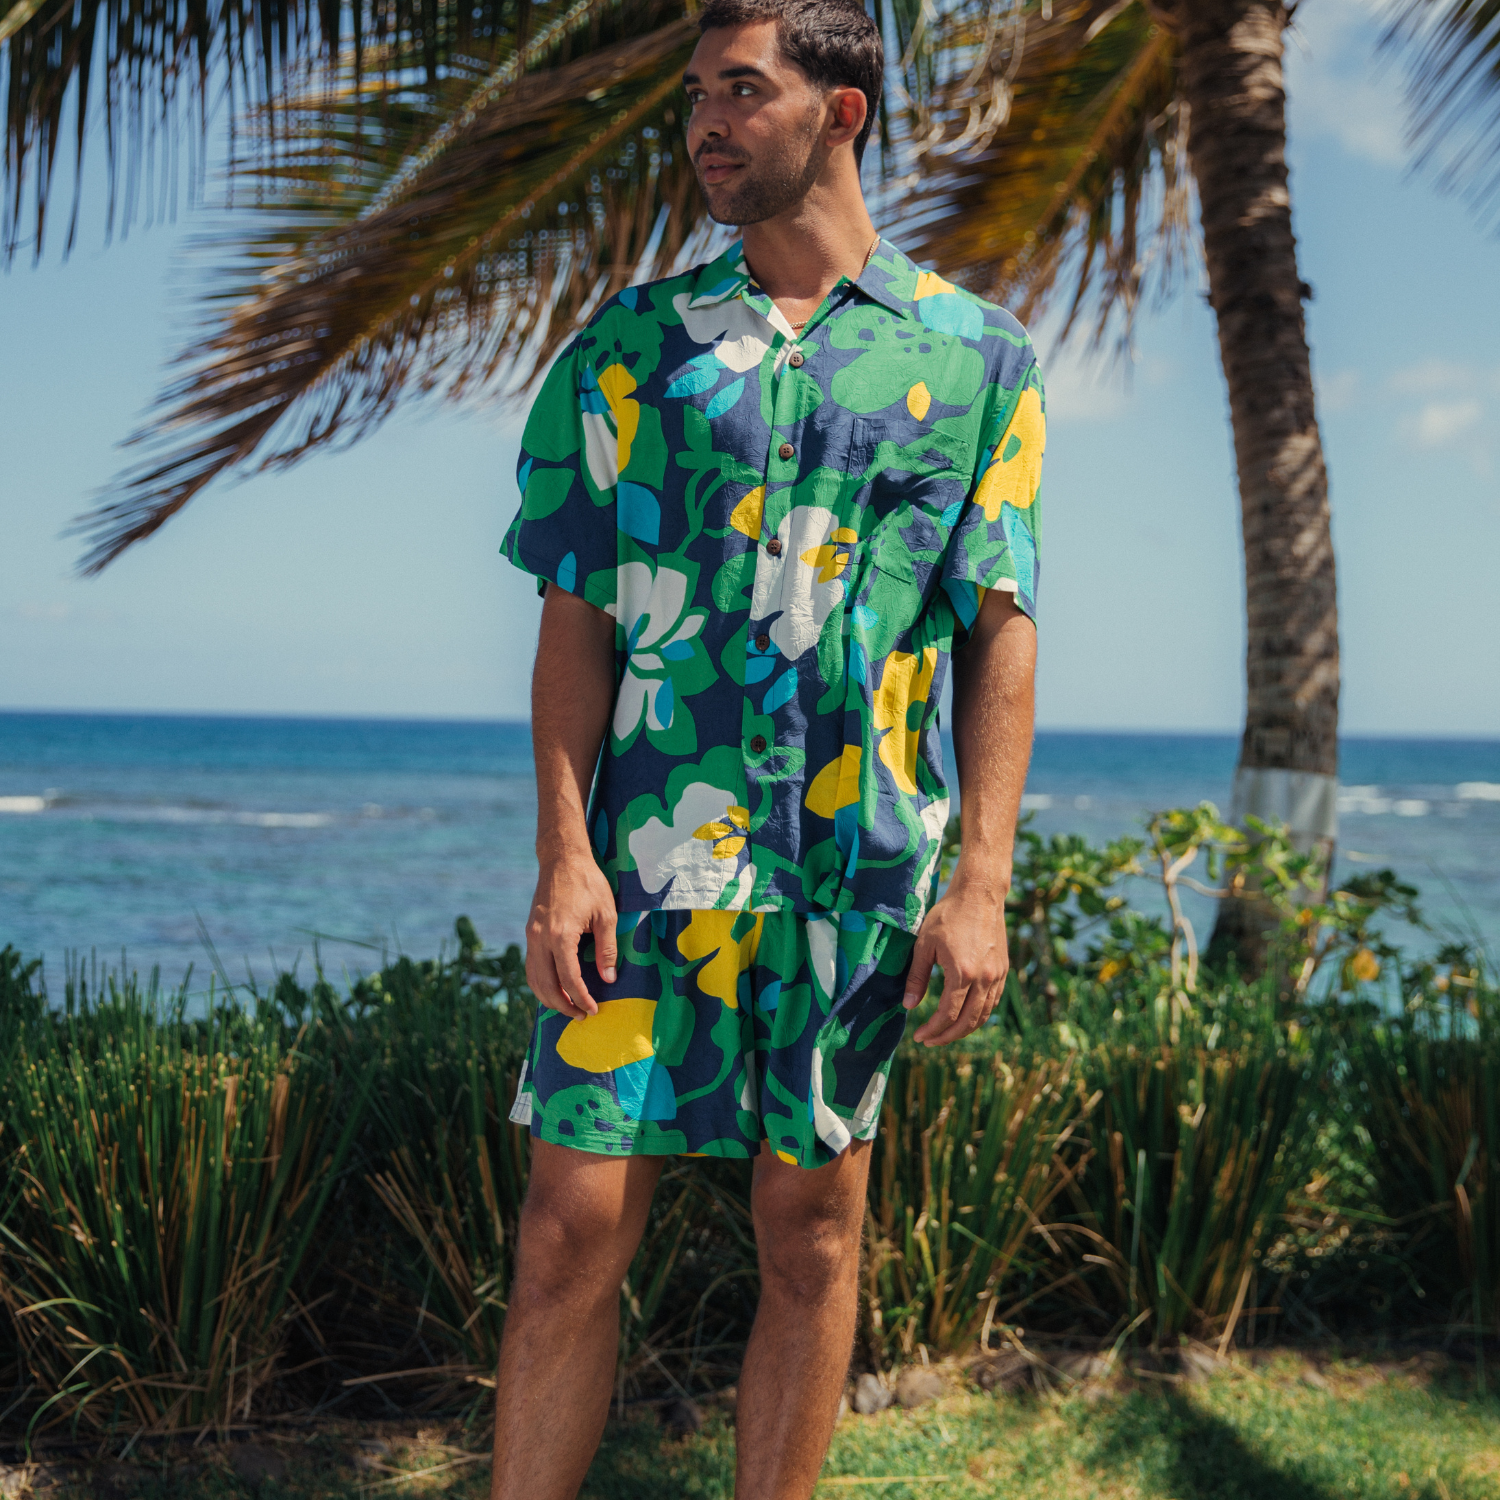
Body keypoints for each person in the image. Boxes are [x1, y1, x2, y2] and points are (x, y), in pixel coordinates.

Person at [490, 2, 1043, 1495]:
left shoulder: (980, 357)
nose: (705, 125)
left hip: (848, 874)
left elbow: (1002, 625)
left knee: (810, 1244)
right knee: (563, 1234)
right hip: (644, 875)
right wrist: (563, 856)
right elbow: (576, 617)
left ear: (841, 112)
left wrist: (979, 881)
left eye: (744, 90)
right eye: (695, 98)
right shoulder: (631, 350)